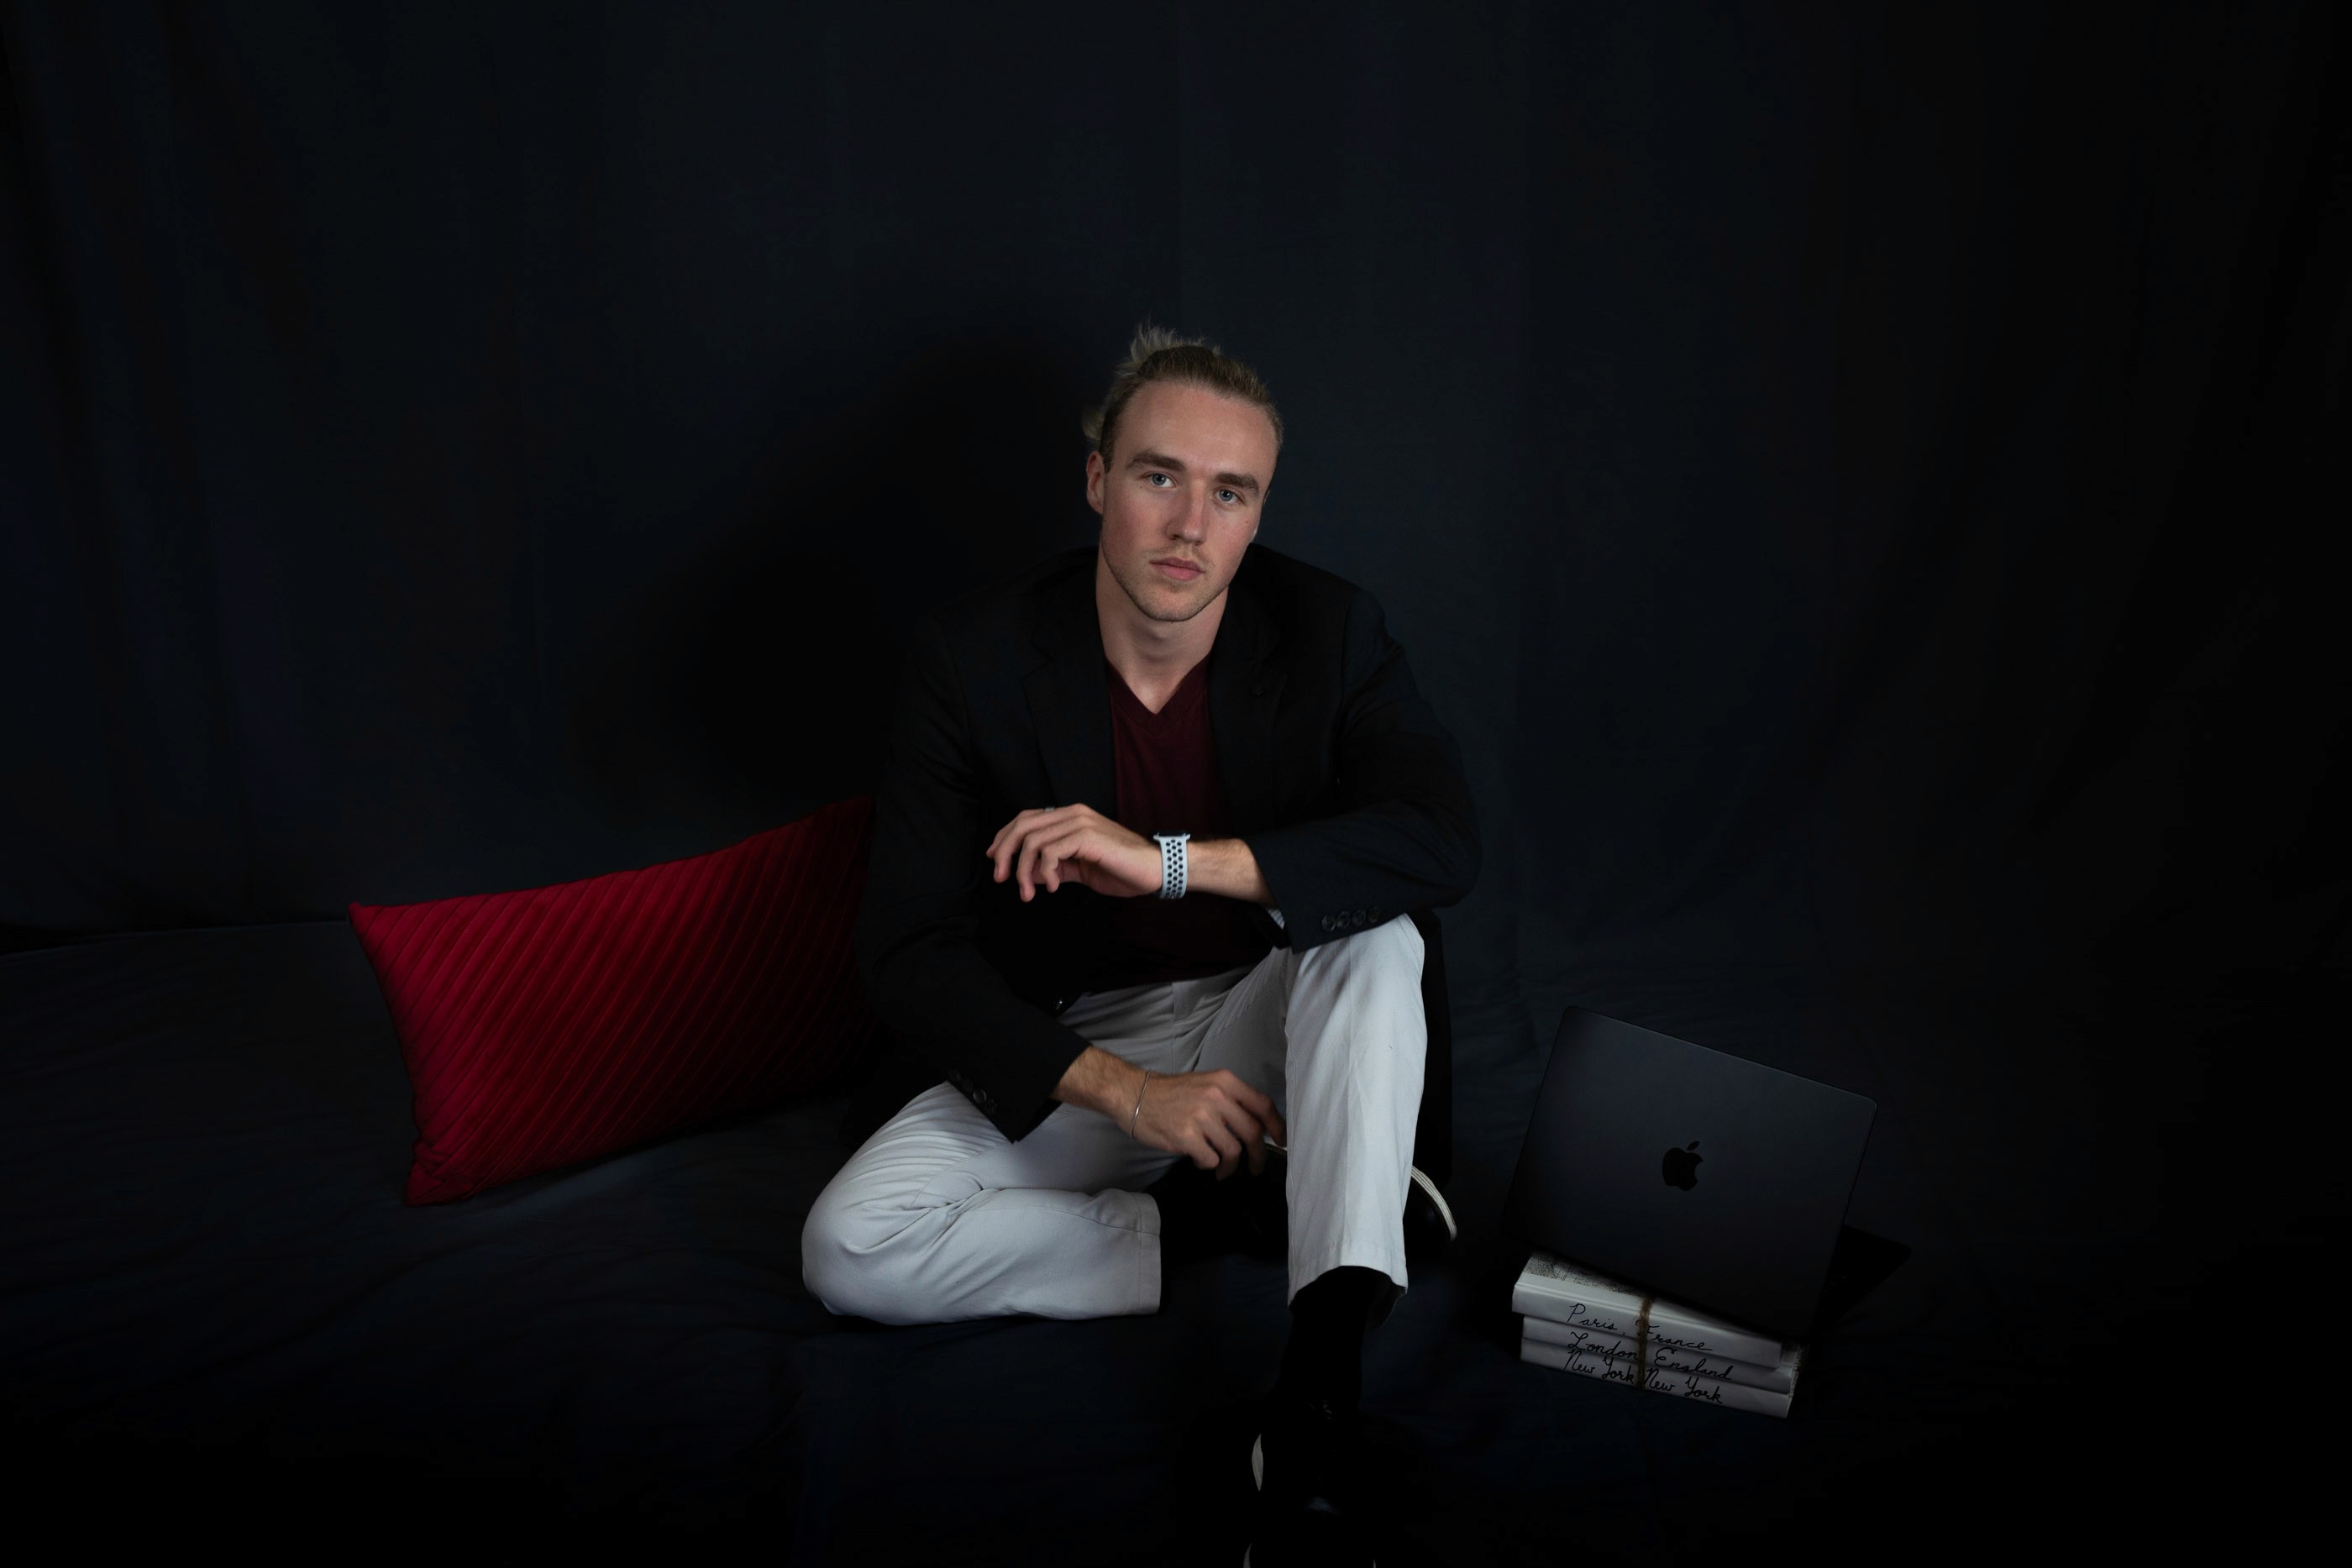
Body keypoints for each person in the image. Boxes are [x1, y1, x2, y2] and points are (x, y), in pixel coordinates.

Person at [801, 324, 1480, 1565]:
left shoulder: (1329, 631)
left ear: (1257, 513)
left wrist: (1165, 858)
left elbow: (1438, 840)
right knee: (850, 1248)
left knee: (1378, 936)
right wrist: (1134, 1095)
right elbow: (907, 951)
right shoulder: (975, 658)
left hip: (1270, 1010)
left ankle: (1318, 1393)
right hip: (1080, 1042)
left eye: (1232, 494)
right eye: (1161, 475)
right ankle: (1236, 1214)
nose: (1191, 524)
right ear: (1097, 479)